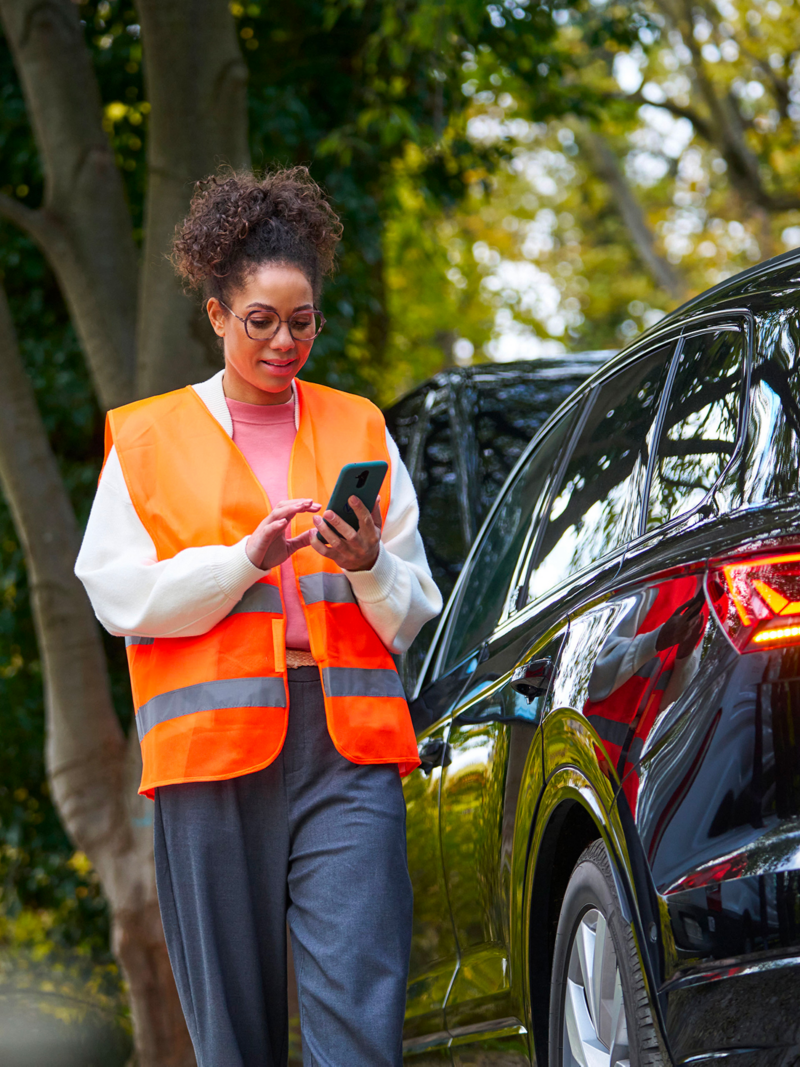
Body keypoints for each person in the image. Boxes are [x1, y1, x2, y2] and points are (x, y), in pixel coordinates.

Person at [75, 166, 442, 1067]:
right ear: (216, 316)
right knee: (233, 1040)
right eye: (261, 322)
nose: (285, 341)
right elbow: (119, 596)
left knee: (361, 1011)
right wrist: (246, 561)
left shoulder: (361, 426)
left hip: (347, 752)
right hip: (209, 759)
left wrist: (368, 567)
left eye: (303, 320)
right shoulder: (148, 437)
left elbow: (414, 605)